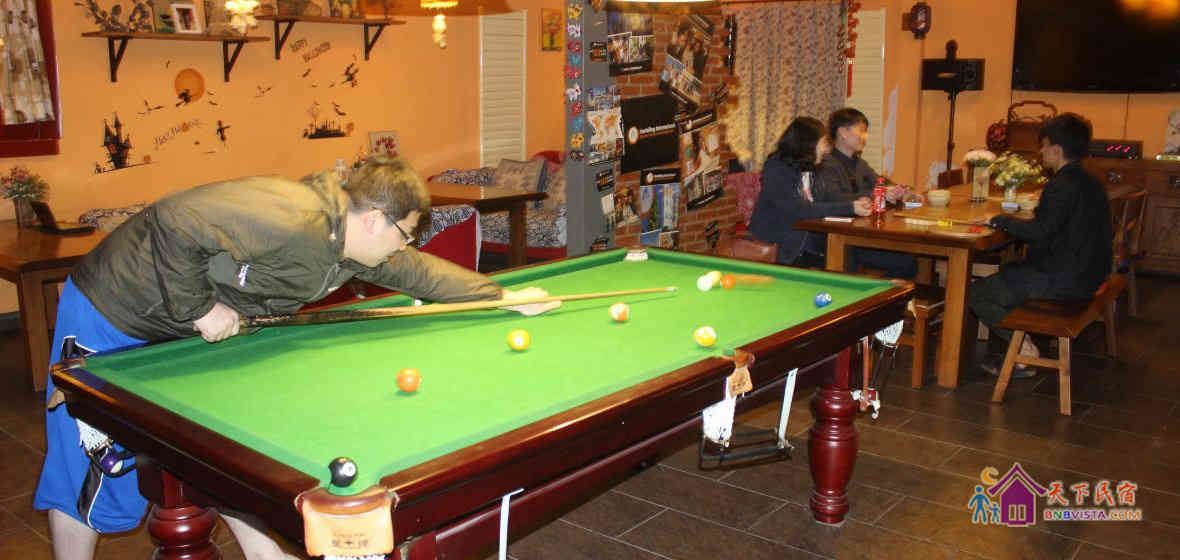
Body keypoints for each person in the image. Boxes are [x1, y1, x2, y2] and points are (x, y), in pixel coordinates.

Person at [35, 156, 560, 560]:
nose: (404, 245)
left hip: (175, 328)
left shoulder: (348, 243)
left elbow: (416, 272)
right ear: (374, 219)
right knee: (90, 470)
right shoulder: (291, 216)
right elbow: (173, 221)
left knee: (218, 445)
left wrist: (501, 296)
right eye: (405, 233)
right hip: (113, 310)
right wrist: (201, 309)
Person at [969, 113, 1112, 377]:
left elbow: (1039, 232)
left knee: (978, 293)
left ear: (1057, 150)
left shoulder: (1060, 185)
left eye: (1044, 146)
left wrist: (998, 219)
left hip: (1067, 280)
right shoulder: (1091, 182)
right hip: (1092, 274)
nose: (1041, 151)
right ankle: (1021, 343)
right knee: (1010, 273)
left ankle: (1023, 352)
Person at [748, 116, 872, 267]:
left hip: (806, 241)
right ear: (808, 143)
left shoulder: (811, 167)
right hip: (779, 246)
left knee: (848, 255)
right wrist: (850, 207)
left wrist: (858, 201)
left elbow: (827, 198)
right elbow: (800, 209)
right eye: (823, 143)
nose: (827, 149)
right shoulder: (777, 168)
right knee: (844, 258)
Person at [818, 107, 917, 279]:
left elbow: (881, 182)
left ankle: (877, 293)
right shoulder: (827, 162)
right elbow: (833, 197)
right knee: (905, 263)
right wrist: (878, 193)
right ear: (843, 132)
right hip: (839, 237)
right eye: (862, 131)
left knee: (909, 260)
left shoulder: (859, 163)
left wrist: (902, 191)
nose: (866, 136)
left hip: (862, 233)